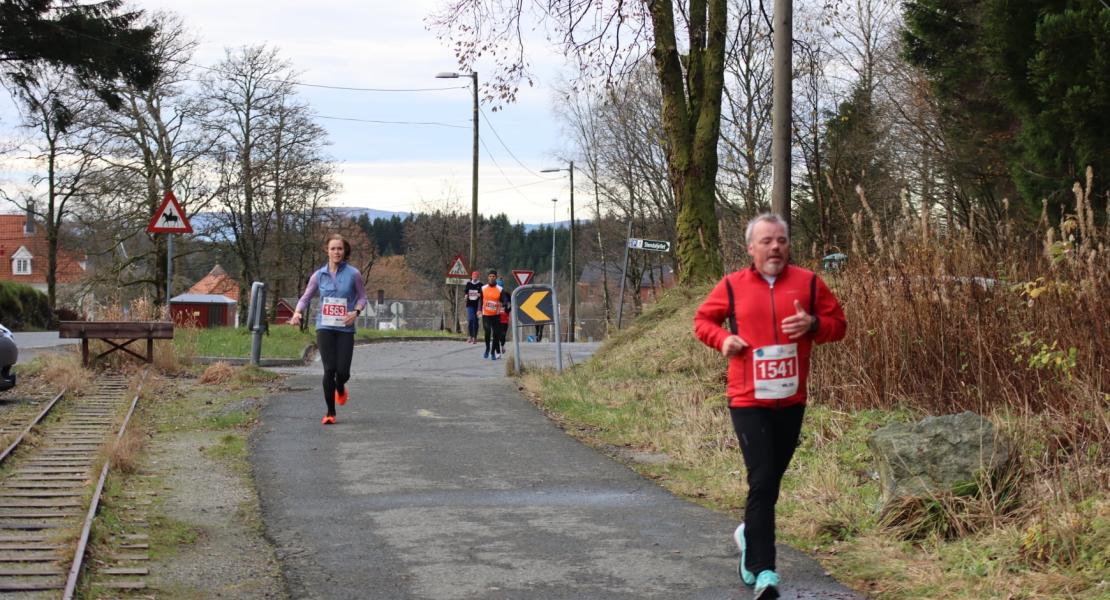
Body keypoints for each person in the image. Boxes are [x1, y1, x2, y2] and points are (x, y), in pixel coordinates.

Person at [693, 213, 846, 599]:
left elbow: (838, 325)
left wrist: (812, 324)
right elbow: (702, 321)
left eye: (781, 240)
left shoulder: (809, 283)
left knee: (771, 482)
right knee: (761, 480)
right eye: (767, 241)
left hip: (791, 399)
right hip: (748, 400)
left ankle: (749, 532)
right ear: (751, 248)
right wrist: (723, 339)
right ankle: (763, 571)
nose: (775, 247)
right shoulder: (731, 286)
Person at [289, 233, 369, 425]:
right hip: (324, 326)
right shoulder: (318, 275)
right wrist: (297, 313)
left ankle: (340, 387)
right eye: (333, 248)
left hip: (345, 327)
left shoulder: (353, 274)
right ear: (327, 250)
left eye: (339, 248)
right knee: (329, 369)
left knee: (343, 372)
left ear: (345, 251)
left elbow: (362, 298)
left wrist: (356, 312)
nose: (336, 252)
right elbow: (306, 297)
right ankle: (330, 412)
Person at [480, 270, 502, 359]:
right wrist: (478, 309)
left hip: (496, 315)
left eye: (493, 276)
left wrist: (504, 304)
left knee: (496, 334)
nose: (492, 278)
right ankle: (487, 348)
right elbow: (480, 300)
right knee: (488, 331)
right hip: (486, 314)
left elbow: (504, 299)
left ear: (496, 277)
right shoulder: (483, 288)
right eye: (490, 276)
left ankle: (493, 352)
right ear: (488, 277)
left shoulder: (500, 289)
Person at [464, 271, 482, 344]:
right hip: (469, 304)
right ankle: (470, 336)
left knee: (475, 320)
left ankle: (475, 337)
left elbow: (482, 295)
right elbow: (466, 292)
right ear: (472, 276)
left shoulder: (481, 285)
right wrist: (465, 295)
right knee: (470, 319)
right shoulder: (468, 283)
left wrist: (479, 294)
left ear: (478, 277)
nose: (475, 277)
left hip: (477, 305)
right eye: (473, 276)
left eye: (476, 276)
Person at [496, 277, 511, 354]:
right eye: (498, 285)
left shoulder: (507, 295)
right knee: (496, 333)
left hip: (505, 318)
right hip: (495, 317)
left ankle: (502, 345)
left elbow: (510, 305)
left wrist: (507, 310)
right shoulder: (493, 294)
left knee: (503, 334)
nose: (499, 287)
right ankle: (498, 348)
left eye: (501, 285)